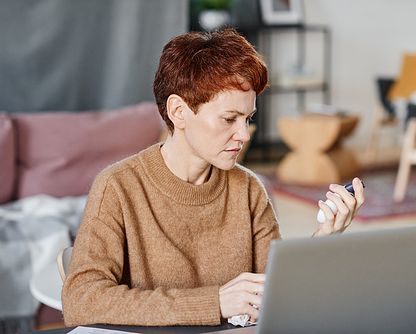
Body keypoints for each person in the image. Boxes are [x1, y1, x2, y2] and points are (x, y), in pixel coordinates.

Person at [61, 28, 365, 327]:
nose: (244, 134)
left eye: (248, 119)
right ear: (178, 112)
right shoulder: (117, 187)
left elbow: (277, 294)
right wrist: (214, 302)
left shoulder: (248, 189)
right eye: (229, 119)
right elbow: (81, 300)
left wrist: (324, 238)